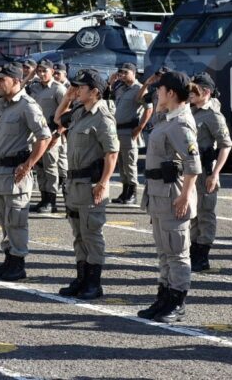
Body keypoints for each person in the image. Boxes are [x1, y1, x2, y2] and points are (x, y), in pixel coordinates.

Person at [0, 62, 52, 282]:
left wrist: (28, 164)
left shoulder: (27, 105)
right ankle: (8, 260)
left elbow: (44, 137)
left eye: (2, 80)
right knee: (5, 222)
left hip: (15, 174)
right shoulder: (2, 103)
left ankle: (18, 264)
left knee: (17, 222)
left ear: (16, 81)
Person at [137, 71, 201, 323]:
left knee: (177, 252)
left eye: (161, 90)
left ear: (171, 93)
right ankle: (163, 297)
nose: (157, 93)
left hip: (173, 194)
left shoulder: (181, 123)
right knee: (165, 251)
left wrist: (185, 196)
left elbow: (193, 164)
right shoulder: (167, 119)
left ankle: (177, 302)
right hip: (158, 193)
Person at [57, 69, 118, 299]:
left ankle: (94, 282)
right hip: (74, 184)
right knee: (78, 234)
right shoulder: (80, 112)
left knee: (92, 234)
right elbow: (57, 120)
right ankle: (81, 277)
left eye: (81, 87)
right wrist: (67, 98)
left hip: (91, 184)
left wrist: (104, 183)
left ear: (94, 92)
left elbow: (112, 153)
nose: (77, 90)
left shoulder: (102, 117)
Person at [187, 73, 232, 272]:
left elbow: (225, 145)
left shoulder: (213, 115)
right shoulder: (191, 111)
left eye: (194, 90)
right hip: (192, 171)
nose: (190, 93)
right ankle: (194, 250)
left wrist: (215, 174)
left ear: (206, 92)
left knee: (206, 214)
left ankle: (202, 254)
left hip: (206, 171)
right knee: (193, 214)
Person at [26, 59, 66, 214]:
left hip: (51, 133)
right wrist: (29, 75)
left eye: (45, 71)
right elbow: (19, 89)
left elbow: (66, 115)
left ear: (52, 72)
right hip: (36, 134)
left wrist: (58, 134)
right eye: (39, 71)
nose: (41, 74)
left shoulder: (58, 89)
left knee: (50, 167)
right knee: (40, 166)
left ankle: (51, 201)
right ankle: (43, 198)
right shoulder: (34, 87)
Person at [111, 63, 152, 205]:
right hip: (117, 130)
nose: (122, 74)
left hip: (129, 131)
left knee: (130, 163)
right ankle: (125, 191)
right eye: (120, 72)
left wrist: (140, 127)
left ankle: (132, 193)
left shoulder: (139, 89)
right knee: (121, 163)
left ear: (133, 73)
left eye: (125, 72)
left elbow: (148, 108)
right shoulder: (120, 88)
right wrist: (112, 82)